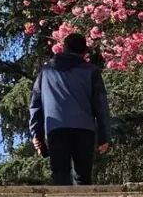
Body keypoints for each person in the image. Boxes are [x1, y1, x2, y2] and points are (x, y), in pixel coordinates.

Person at [29, 32, 111, 186]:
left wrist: (37, 135)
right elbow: (100, 105)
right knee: (83, 176)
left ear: (64, 48)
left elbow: (36, 105)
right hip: (84, 128)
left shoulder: (46, 72)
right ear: (85, 51)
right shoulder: (91, 71)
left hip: (56, 127)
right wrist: (104, 136)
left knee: (60, 174)